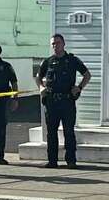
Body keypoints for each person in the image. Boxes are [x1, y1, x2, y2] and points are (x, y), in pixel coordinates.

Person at [36, 33, 90, 169]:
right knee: (51, 133)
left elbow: (87, 75)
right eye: (53, 44)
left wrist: (79, 88)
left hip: (67, 102)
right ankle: (52, 161)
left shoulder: (72, 60)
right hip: (51, 102)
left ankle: (71, 161)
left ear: (64, 44)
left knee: (68, 132)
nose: (55, 46)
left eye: (58, 43)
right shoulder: (47, 61)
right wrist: (41, 87)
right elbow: (38, 76)